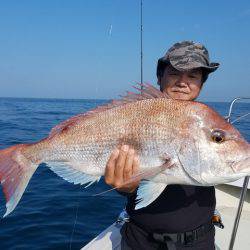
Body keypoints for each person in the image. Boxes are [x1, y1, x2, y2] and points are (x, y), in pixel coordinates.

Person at [105, 41, 220, 250]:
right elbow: (127, 183)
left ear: (201, 84)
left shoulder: (208, 122)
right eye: (175, 73)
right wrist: (125, 188)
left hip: (199, 241)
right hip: (140, 240)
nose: (183, 82)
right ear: (160, 77)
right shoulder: (135, 114)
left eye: (193, 76)